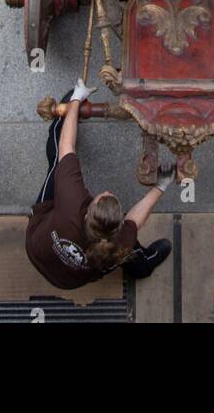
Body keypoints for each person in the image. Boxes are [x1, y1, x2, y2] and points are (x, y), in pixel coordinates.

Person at [26, 80, 173, 290]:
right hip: (70, 281)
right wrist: (161, 186)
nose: (106, 191)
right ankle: (142, 266)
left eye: (103, 196)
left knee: (57, 162)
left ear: (87, 213)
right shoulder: (121, 241)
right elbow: (135, 220)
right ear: (118, 228)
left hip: (36, 246)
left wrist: (76, 100)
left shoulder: (71, 202)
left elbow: (66, 147)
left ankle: (64, 116)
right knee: (128, 250)